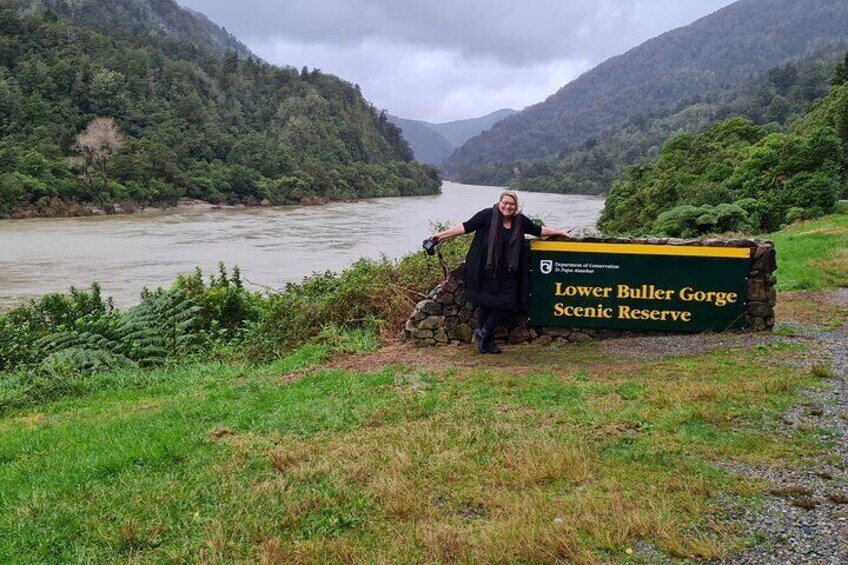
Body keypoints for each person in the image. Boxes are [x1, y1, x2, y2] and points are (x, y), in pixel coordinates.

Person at [431, 191, 571, 354]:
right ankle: (486, 343)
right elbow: (465, 227)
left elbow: (538, 230)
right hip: (485, 270)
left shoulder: (520, 221)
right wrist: (440, 236)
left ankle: (483, 332)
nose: (507, 206)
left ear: (515, 207)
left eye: (511, 204)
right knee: (486, 304)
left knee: (507, 302)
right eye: (505, 202)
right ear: (500, 202)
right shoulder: (487, 215)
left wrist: (559, 232)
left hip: (508, 272)